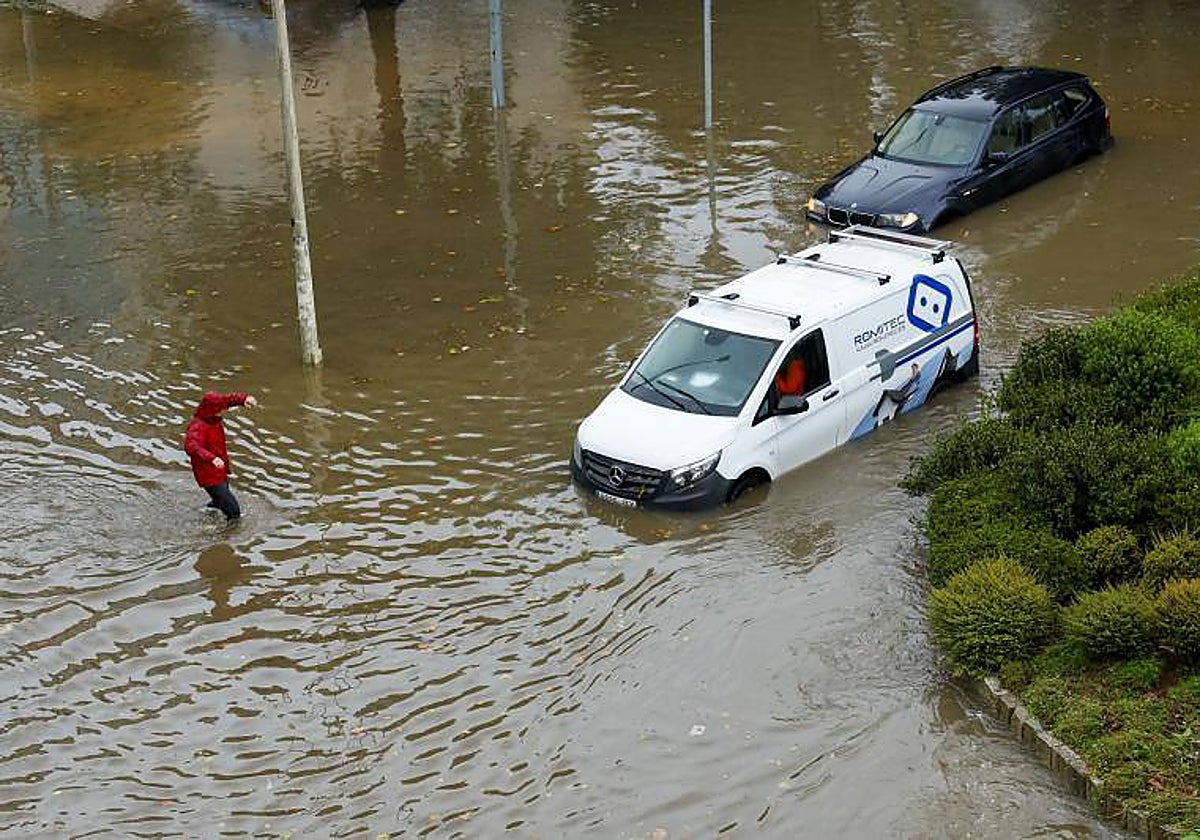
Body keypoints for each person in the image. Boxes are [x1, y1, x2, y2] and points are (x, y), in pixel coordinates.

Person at [184, 391, 256, 519]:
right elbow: (191, 446)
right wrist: (211, 458)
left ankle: (208, 513)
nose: (223, 411)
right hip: (209, 475)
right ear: (212, 410)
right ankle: (229, 535)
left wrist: (244, 399)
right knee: (234, 512)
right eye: (220, 410)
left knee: (220, 500)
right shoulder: (198, 426)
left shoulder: (212, 417)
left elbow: (227, 399)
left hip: (219, 470)